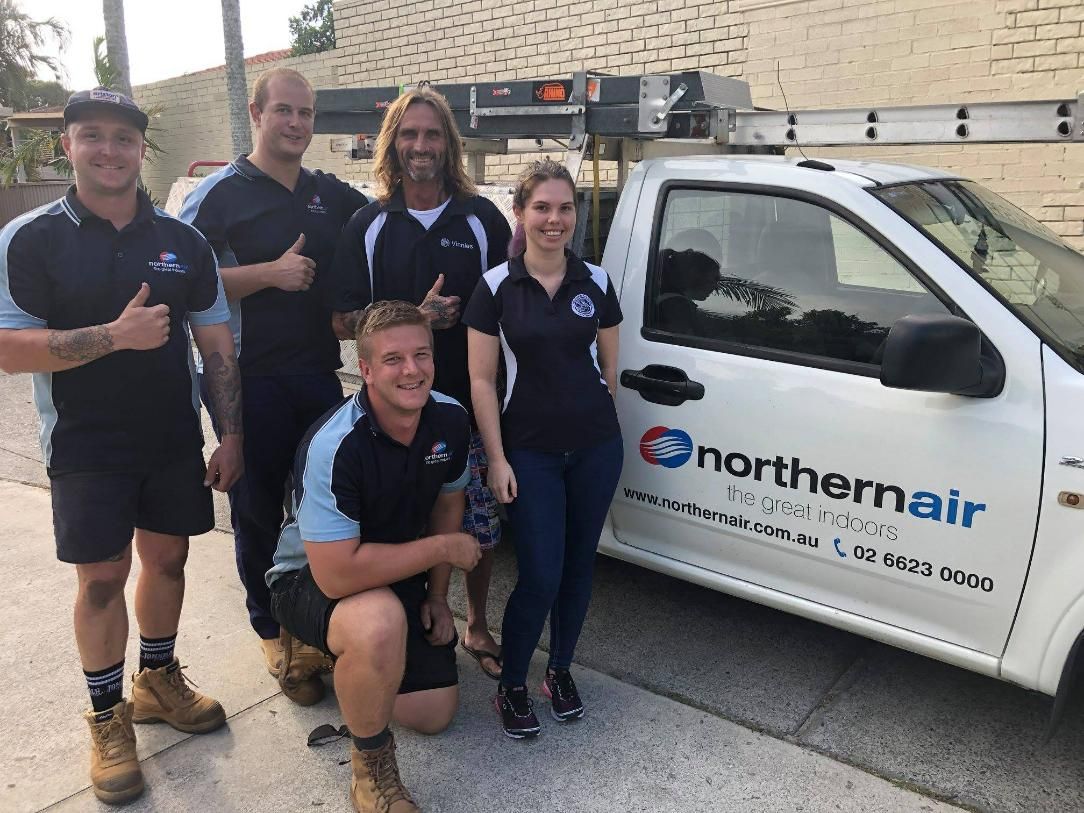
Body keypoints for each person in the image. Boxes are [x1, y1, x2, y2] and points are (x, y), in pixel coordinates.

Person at [0, 88, 242, 804]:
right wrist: (114, 336)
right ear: (67, 146)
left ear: (142, 150)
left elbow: (217, 346)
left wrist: (232, 433)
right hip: (84, 442)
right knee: (102, 578)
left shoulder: (183, 241)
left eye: (124, 139)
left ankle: (157, 679)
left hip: (170, 436)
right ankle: (108, 717)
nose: (109, 150)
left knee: (168, 558)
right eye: (92, 136)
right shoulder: (32, 238)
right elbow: (10, 351)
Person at [179, 67, 370, 704]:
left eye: (306, 114)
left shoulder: (324, 192)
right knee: (258, 505)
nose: (295, 124)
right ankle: (271, 633)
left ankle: (312, 621)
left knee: (322, 503)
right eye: (283, 111)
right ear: (257, 114)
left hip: (317, 372)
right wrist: (269, 273)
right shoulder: (219, 194)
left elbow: (382, 218)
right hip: (245, 375)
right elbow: (184, 278)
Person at [266, 300, 481, 812]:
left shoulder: (450, 418)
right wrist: (443, 550)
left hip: (393, 569)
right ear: (363, 369)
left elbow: (448, 502)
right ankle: (371, 769)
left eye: (422, 355)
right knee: (378, 622)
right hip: (311, 576)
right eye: (393, 359)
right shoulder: (337, 444)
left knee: (433, 713)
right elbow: (338, 575)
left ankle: (341, 655)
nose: (412, 370)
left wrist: (436, 595)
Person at [329, 87, 511, 680]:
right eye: (409, 135)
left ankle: (478, 623)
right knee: (399, 519)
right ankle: (406, 617)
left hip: (471, 402)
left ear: (449, 144)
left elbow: (511, 303)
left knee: (474, 520)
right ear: (393, 145)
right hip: (392, 408)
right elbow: (342, 320)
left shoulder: (482, 220)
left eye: (432, 135)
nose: (421, 146)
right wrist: (414, 316)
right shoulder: (369, 223)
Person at [464, 158, 624, 738]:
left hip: (595, 448)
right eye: (541, 207)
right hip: (528, 453)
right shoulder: (495, 287)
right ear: (521, 213)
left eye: (564, 208)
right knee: (540, 573)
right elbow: (482, 380)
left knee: (580, 568)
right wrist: (498, 459)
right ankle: (512, 683)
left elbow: (609, 367)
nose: (553, 219)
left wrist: (607, 426)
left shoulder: (597, 283)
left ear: (575, 215)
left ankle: (559, 670)